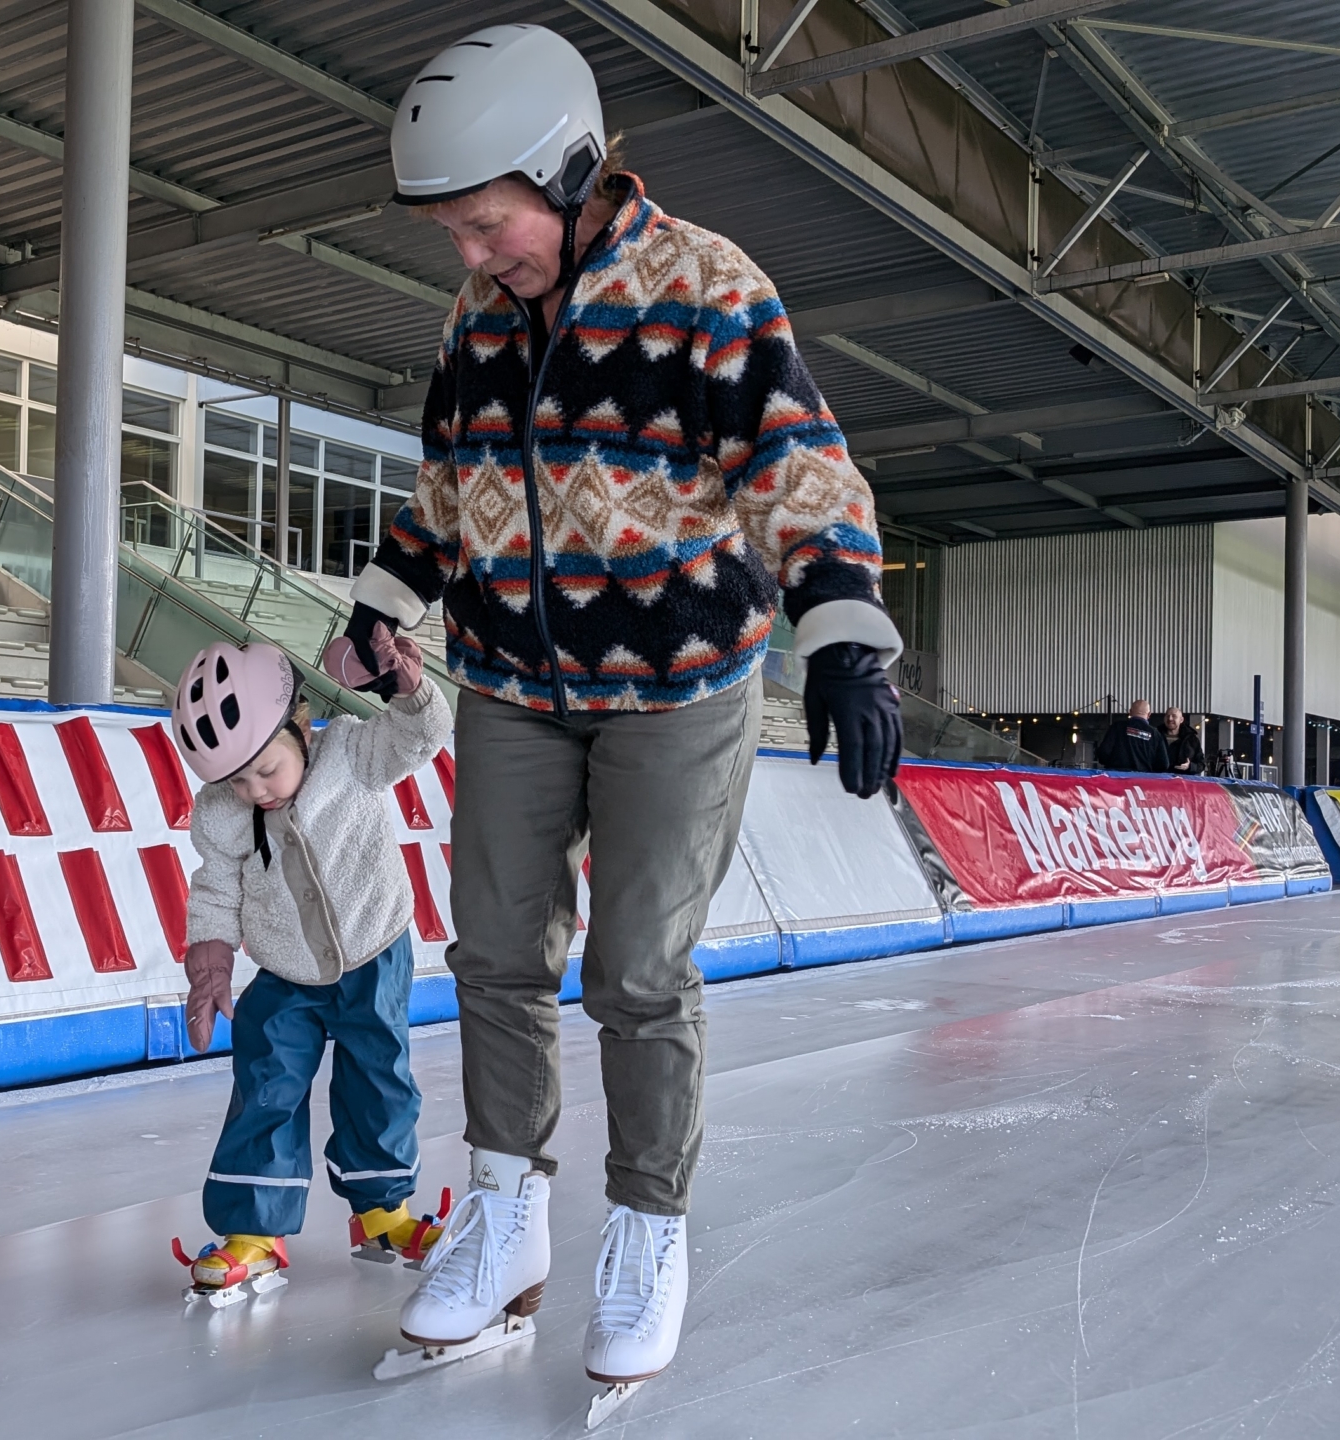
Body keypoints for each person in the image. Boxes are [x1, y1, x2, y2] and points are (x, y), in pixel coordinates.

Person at [320, 23, 905, 1402]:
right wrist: (382, 603)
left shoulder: (707, 290)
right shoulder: (476, 326)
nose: (471, 255)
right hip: (515, 684)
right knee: (497, 960)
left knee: (639, 974)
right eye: (453, 233)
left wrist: (846, 636)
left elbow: (802, 470)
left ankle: (645, 1232)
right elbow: (445, 498)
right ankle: (505, 1213)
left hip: (677, 692)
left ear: (570, 170)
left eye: (486, 223)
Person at [169, 634, 456, 1307]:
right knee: (265, 1080)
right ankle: (254, 1233)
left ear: (300, 725)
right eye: (236, 781)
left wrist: (407, 688)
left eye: (265, 769)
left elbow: (422, 738)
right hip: (285, 971)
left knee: (377, 1080)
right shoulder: (223, 813)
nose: (254, 790)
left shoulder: (351, 752)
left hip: (371, 953)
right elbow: (215, 888)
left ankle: (383, 1214)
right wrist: (209, 954)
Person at [1094, 700, 1168, 773]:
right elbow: (1163, 764)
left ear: (1130, 712)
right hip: (1143, 779)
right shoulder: (1155, 734)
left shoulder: (1117, 727)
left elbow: (1103, 753)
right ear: (1149, 714)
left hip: (1116, 777)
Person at [1161, 707, 1205, 776]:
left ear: (1181, 720)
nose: (1170, 719)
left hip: (1184, 783)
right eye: (1167, 716)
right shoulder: (1155, 736)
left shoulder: (1191, 739)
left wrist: (1190, 766)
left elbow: (1201, 764)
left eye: (1174, 716)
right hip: (1159, 781)